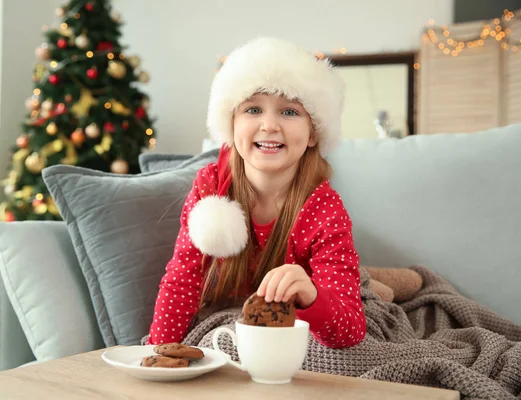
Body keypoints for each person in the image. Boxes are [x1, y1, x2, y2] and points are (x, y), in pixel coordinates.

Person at [147, 37, 366, 349]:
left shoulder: (324, 210)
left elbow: (351, 329)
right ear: (231, 125)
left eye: (289, 112)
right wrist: (156, 354)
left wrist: (312, 295)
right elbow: (182, 281)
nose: (269, 125)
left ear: (313, 133)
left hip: (305, 313)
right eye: (253, 109)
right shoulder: (210, 187)